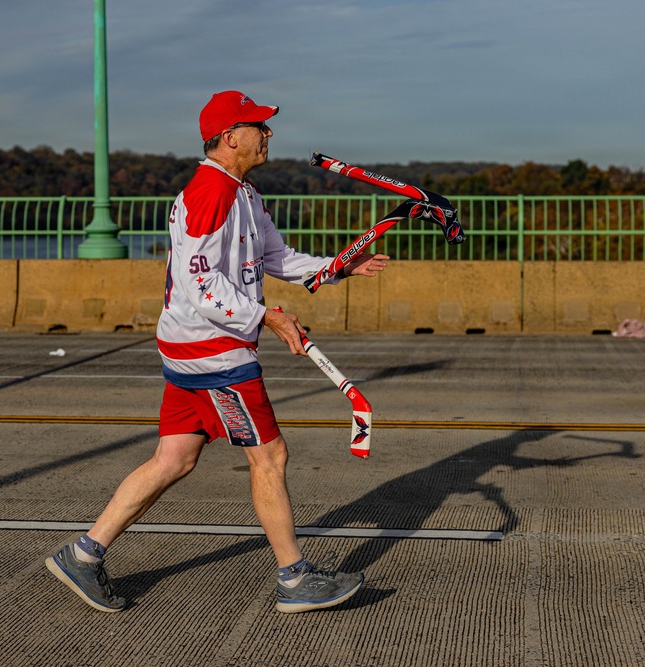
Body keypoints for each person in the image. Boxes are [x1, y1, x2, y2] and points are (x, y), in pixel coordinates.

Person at [46, 90, 389, 614]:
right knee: (269, 455)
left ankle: (83, 554)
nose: (268, 134)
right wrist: (267, 317)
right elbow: (200, 282)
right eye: (259, 127)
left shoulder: (244, 193)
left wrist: (340, 266)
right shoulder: (211, 191)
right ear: (231, 137)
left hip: (192, 346)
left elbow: (277, 257)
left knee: (175, 457)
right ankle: (294, 578)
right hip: (214, 350)